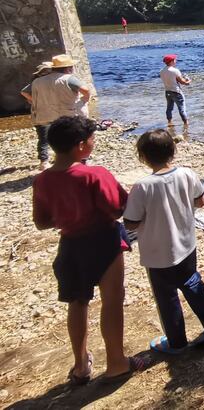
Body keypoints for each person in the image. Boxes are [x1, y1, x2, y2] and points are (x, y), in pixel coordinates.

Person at [32, 116, 145, 383]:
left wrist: (66, 215)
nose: (94, 143)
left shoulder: (42, 180)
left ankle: (81, 365)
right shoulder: (95, 174)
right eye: (93, 139)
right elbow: (117, 208)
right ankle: (117, 361)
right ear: (81, 145)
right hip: (104, 241)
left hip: (70, 244)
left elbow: (41, 222)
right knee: (112, 300)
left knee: (77, 302)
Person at [123, 129, 204, 354]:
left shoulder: (142, 186)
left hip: (158, 253)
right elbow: (201, 201)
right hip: (187, 244)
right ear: (173, 150)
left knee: (166, 296)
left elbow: (130, 223)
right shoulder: (187, 174)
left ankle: (177, 342)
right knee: (192, 282)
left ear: (142, 157)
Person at [24, 54, 91, 170]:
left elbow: (25, 93)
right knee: (76, 136)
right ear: (68, 68)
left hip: (45, 115)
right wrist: (84, 100)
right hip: (67, 114)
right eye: (71, 67)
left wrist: (34, 101)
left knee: (49, 138)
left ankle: (48, 162)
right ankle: (81, 160)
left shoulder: (38, 81)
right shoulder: (69, 78)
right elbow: (85, 90)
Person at [160, 55, 190, 126]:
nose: (175, 61)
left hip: (167, 91)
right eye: (175, 60)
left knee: (169, 108)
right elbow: (183, 82)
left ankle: (169, 122)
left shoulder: (162, 71)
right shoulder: (175, 70)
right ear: (172, 61)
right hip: (176, 91)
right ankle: (186, 123)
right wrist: (188, 81)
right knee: (182, 108)